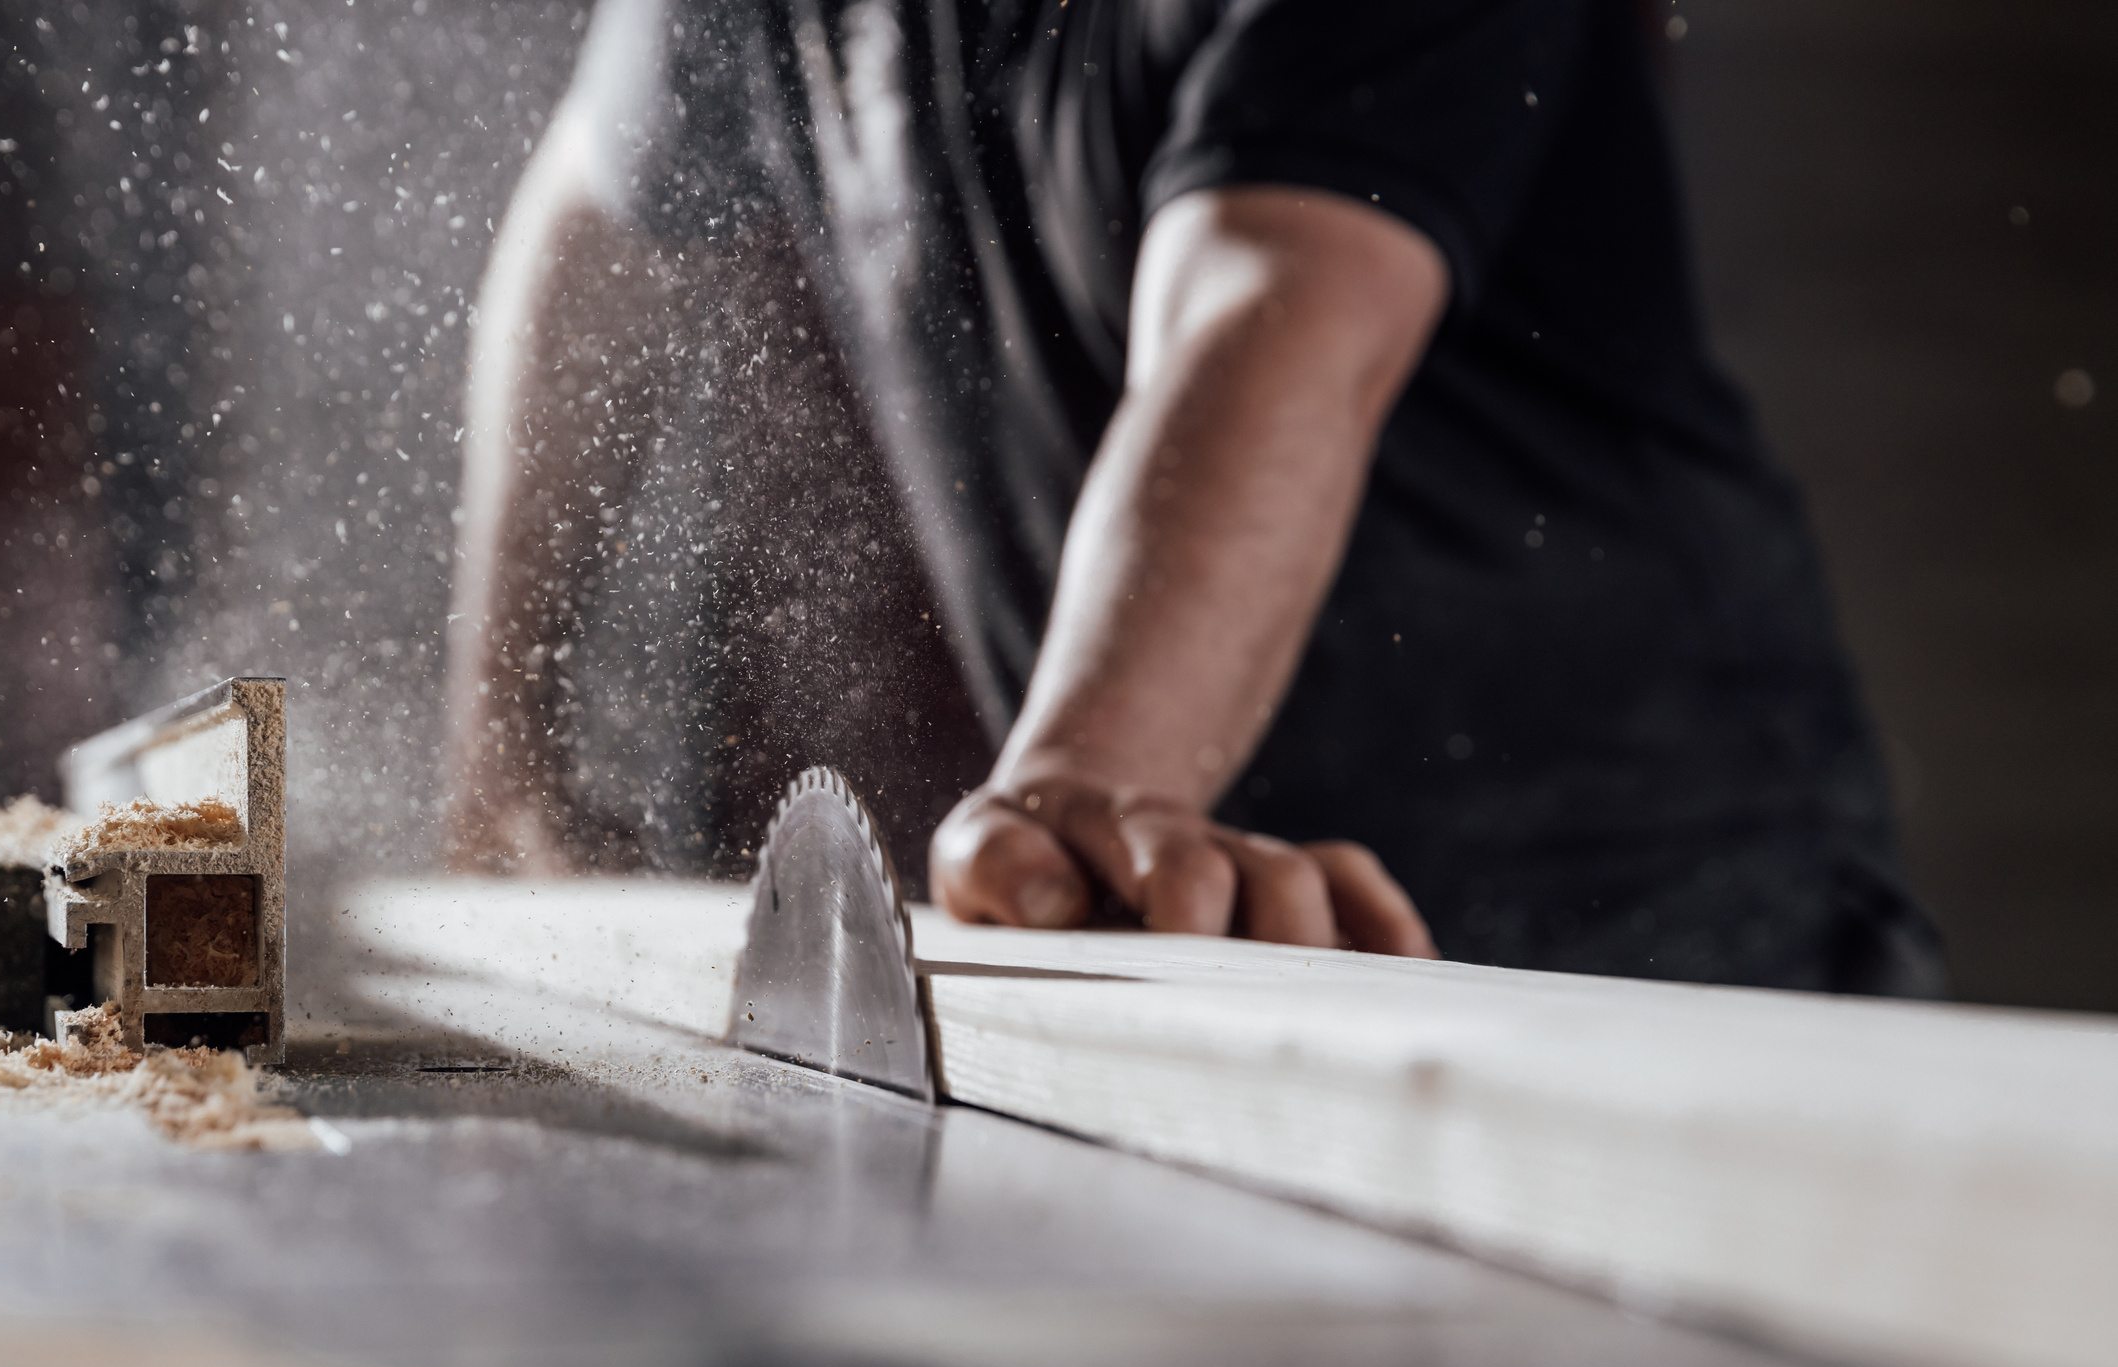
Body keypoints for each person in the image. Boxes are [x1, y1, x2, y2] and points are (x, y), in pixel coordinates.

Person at [443, 0, 1944, 995]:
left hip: (1640, 898)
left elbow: (1274, 305)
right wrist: (503, 745)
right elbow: (599, 232)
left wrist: (1087, 784)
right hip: (1209, 906)